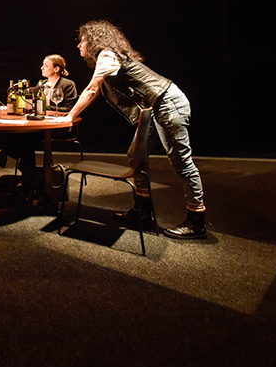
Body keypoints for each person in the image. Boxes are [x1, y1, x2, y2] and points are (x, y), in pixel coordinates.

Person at [61, 20, 207, 240]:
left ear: (93, 40)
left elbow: (92, 89)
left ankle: (197, 222)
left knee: (181, 161)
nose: (79, 45)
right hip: (156, 107)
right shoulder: (109, 57)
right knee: (135, 156)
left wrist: (69, 117)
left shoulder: (107, 55)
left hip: (168, 103)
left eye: (82, 40)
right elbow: (97, 90)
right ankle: (143, 211)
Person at [0, 55, 78, 211]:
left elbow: (69, 108)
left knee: (23, 137)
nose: (41, 68)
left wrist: (46, 108)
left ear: (57, 69)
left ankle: (13, 162)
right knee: (22, 135)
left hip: (58, 127)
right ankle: (29, 179)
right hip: (41, 123)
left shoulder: (68, 85)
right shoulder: (41, 85)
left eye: (45, 65)